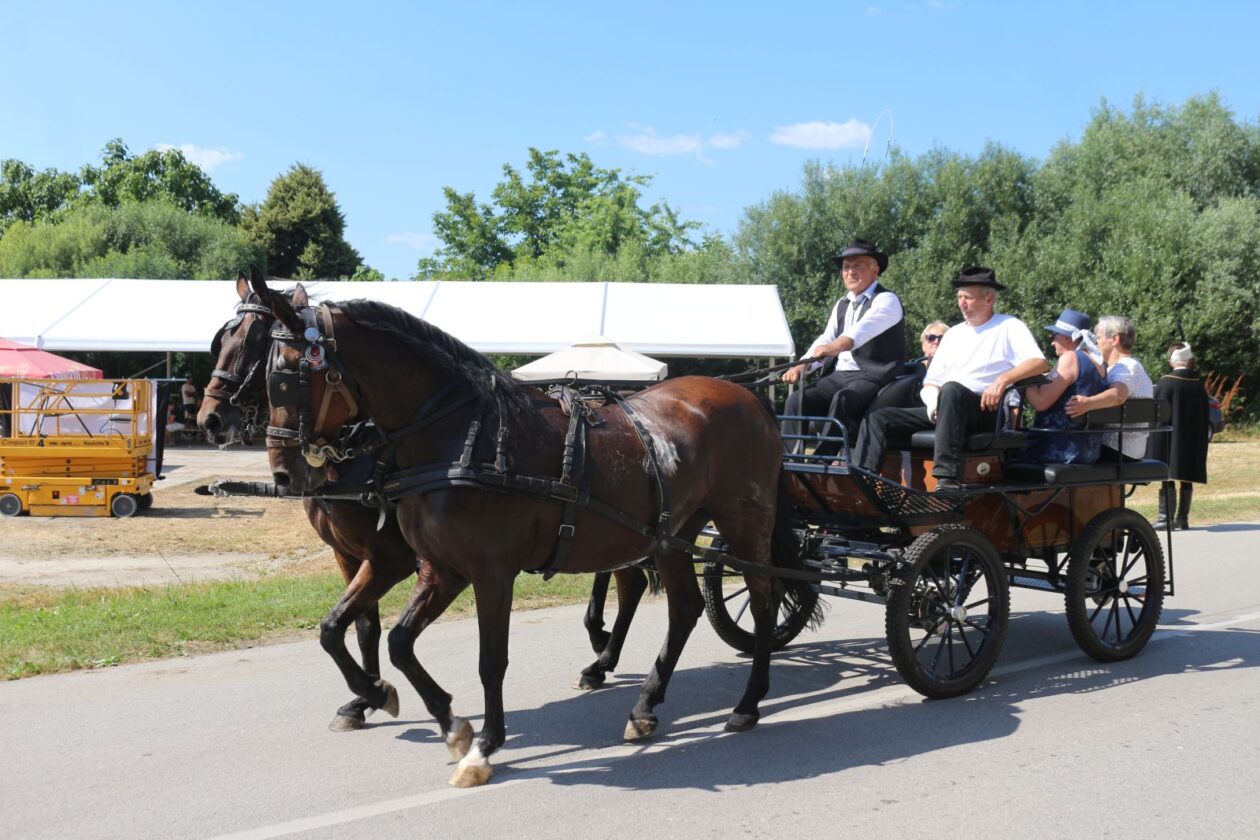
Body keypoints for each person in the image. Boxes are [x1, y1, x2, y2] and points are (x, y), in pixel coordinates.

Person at [853, 266, 1046, 491]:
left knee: (952, 389)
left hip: (984, 408)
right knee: (879, 417)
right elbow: (931, 383)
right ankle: (862, 482)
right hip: (946, 406)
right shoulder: (953, 334)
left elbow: (1039, 362)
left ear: (990, 299)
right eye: (959, 297)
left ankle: (946, 478)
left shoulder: (1009, 326)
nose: (962, 303)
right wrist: (934, 406)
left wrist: (1003, 380)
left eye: (968, 298)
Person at [781, 238, 906, 454]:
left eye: (858, 265)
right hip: (840, 374)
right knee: (796, 400)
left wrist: (833, 348)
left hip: (872, 375)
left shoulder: (887, 300)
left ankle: (822, 459)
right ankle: (790, 459)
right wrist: (804, 366)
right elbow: (825, 338)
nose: (850, 272)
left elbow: (860, 331)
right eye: (846, 267)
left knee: (843, 398)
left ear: (874, 269)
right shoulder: (842, 303)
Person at [1018, 309, 1107, 464]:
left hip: (1060, 449)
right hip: (1088, 450)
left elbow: (1040, 402)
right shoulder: (1098, 363)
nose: (1052, 342)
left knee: (1005, 451)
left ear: (1067, 338)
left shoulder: (1070, 358)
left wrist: (1018, 378)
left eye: (1054, 336)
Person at [1065, 315, 1152, 461]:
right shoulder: (1125, 366)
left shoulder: (1126, 366)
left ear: (1115, 339)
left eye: (1099, 338)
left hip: (1118, 449)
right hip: (1123, 448)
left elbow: (1118, 395)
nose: (1096, 343)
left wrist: (1087, 403)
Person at [1147, 342, 1210, 529]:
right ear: (1189, 361)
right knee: (1186, 474)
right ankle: (1183, 518)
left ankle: (1165, 518)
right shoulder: (1199, 386)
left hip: (1169, 436)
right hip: (1191, 436)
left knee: (1167, 474)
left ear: (1171, 361)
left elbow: (1155, 414)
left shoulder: (1165, 383)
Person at [869, 320, 950, 411]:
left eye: (942, 338)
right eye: (931, 338)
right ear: (923, 345)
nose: (936, 341)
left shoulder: (956, 372)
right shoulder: (908, 369)